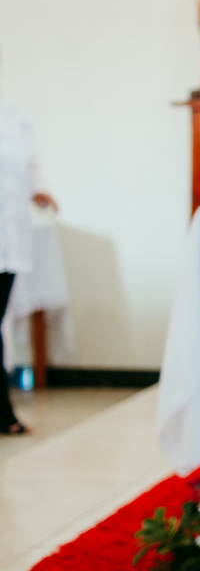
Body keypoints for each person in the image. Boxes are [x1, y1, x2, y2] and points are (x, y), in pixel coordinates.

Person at [0, 85, 58, 436]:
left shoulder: (13, 113)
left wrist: (40, 189)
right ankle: (3, 413)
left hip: (10, 237)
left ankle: (3, 413)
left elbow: (28, 164)